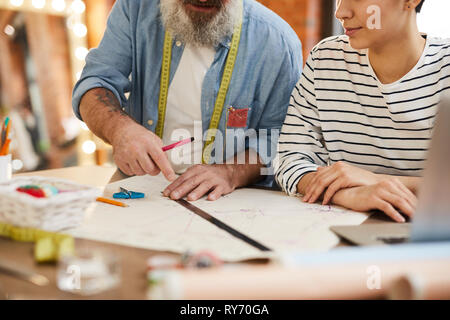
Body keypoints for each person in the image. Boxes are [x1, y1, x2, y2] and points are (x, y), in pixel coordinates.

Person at [73, 0, 302, 201]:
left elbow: (281, 140)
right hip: (139, 192)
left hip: (229, 199)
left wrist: (230, 172)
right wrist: (120, 130)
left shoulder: (278, 41)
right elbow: (95, 83)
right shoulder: (134, 9)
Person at [275, 0, 450, 222]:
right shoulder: (325, 60)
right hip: (344, 230)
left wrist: (372, 180)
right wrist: (348, 194)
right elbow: (289, 159)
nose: (341, 12)